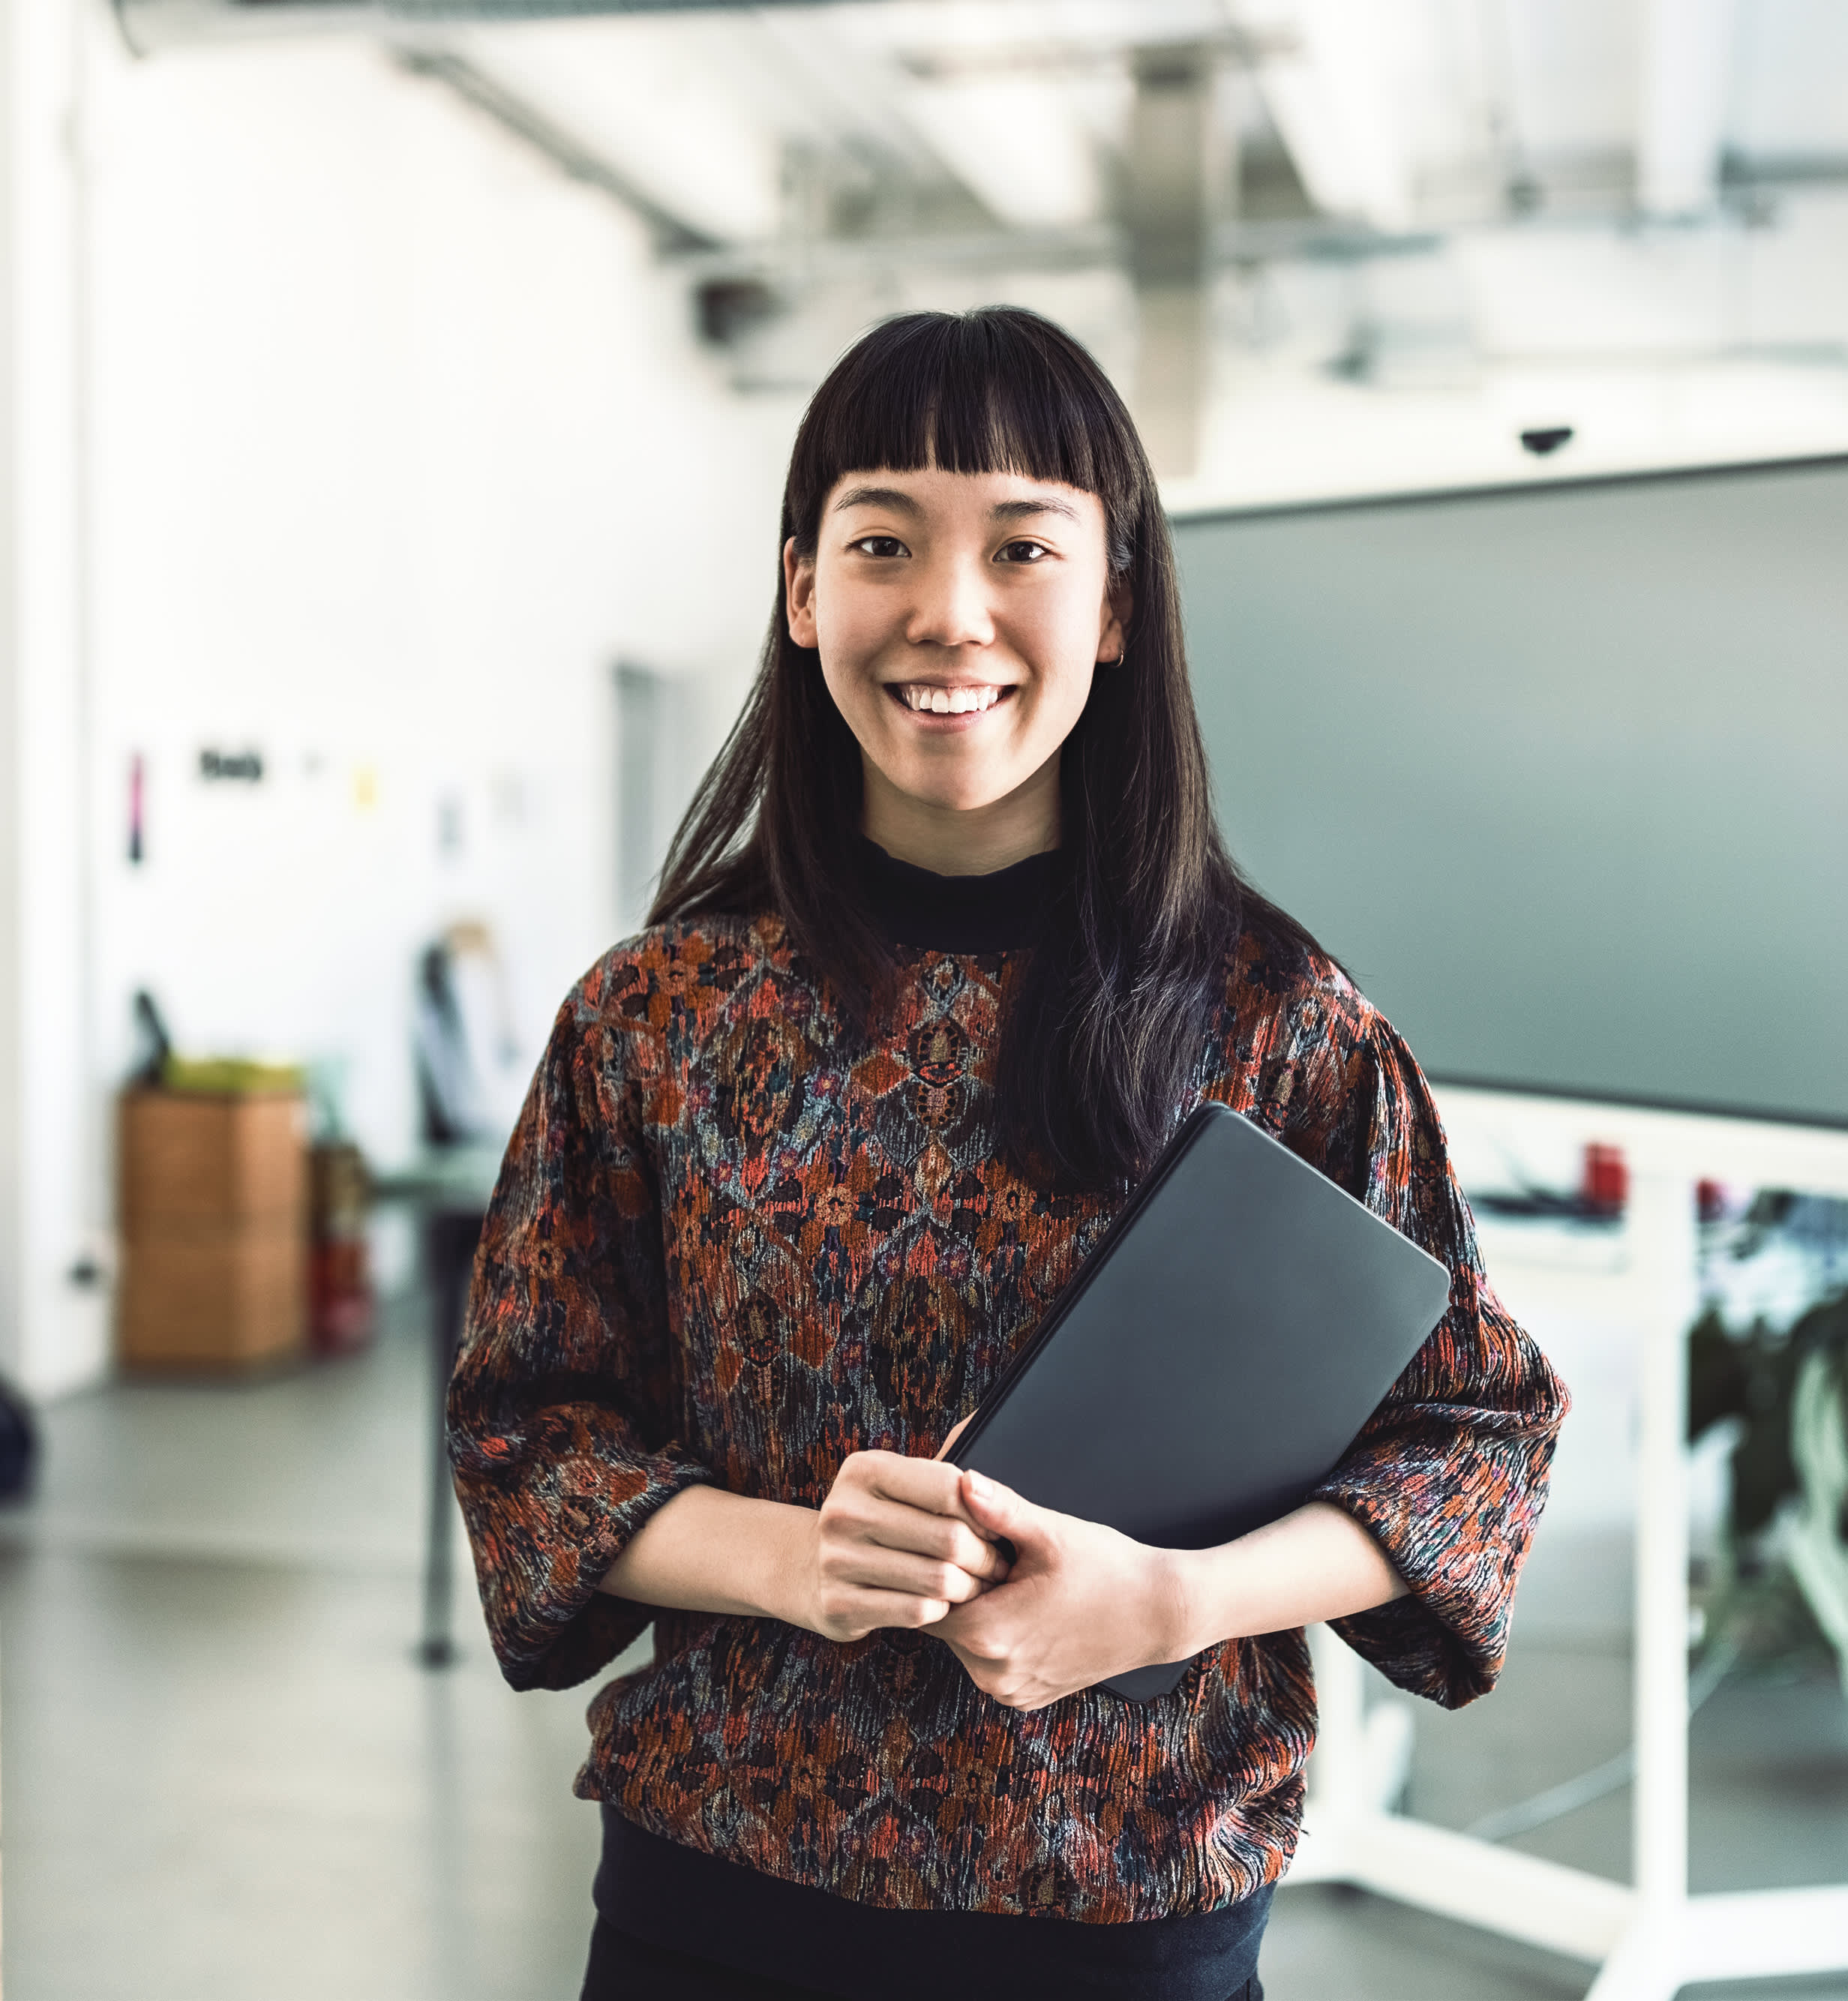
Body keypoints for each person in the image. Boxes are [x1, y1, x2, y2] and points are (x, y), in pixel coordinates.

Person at [448, 305, 1566, 2001]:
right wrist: (788, 1555)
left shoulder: (1279, 1021)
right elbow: (527, 1425)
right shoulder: (655, 1013)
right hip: (712, 1902)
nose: (946, 612)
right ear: (802, 588)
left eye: (1021, 545)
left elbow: (1475, 1438)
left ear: (1115, 603)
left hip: (1126, 1916)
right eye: (881, 538)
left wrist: (1174, 1600)